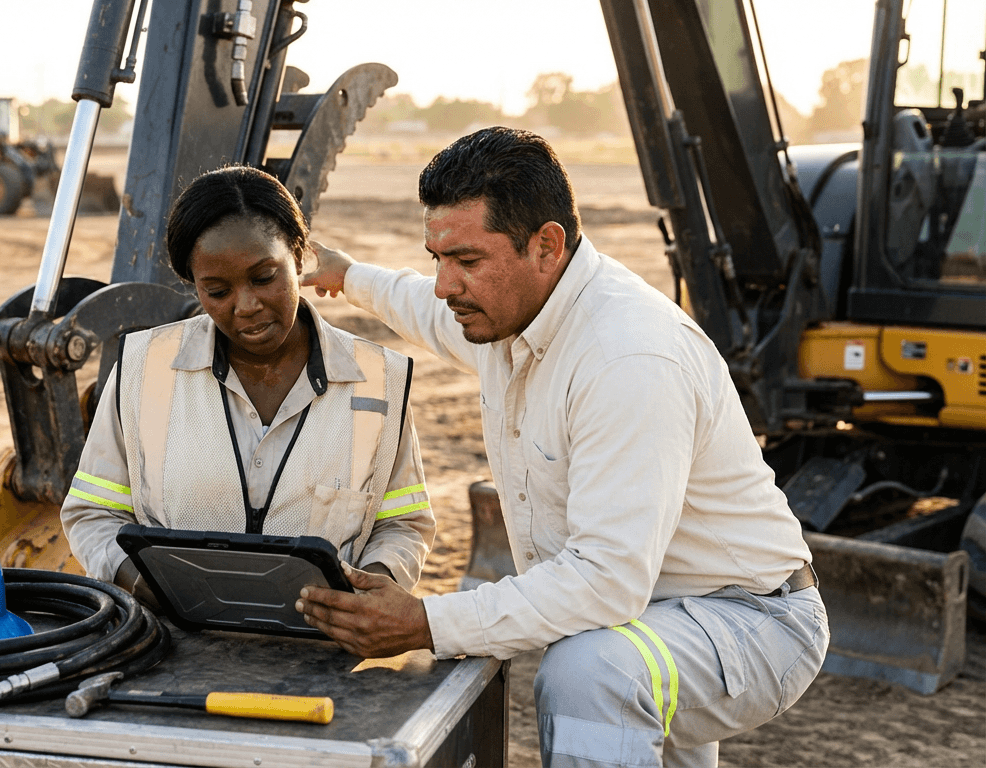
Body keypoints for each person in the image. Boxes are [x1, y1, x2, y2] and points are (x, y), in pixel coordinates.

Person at [295, 127, 828, 768]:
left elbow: (605, 581)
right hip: (656, 616)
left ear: (546, 246)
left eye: (467, 261)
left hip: (751, 619)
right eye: (437, 258)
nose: (444, 284)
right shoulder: (510, 314)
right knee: (607, 664)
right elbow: (420, 306)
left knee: (590, 673)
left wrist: (426, 622)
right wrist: (347, 275)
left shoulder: (626, 357)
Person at [61, 165, 435, 601]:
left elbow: (402, 523)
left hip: (325, 639)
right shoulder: (143, 368)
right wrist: (148, 587)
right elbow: (94, 512)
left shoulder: (379, 380)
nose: (246, 305)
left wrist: (368, 594)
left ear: (299, 257)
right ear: (195, 286)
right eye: (218, 291)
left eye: (264, 278)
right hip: (173, 634)